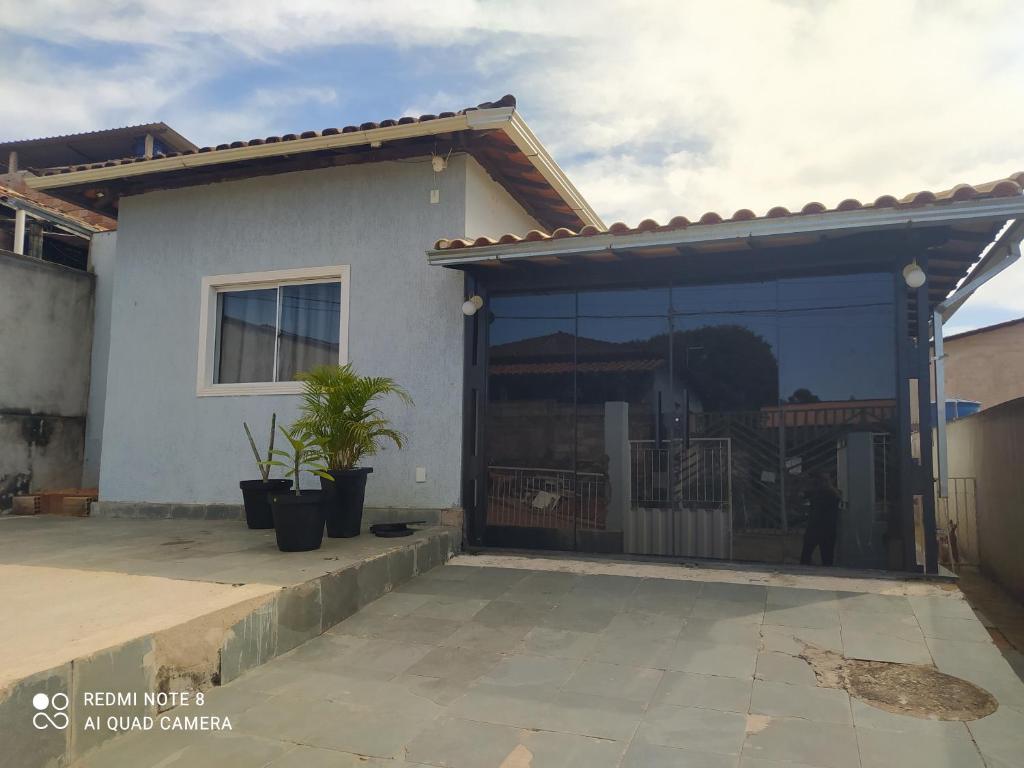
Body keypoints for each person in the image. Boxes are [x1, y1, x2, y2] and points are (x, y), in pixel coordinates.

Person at [799, 470, 842, 566]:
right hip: (825, 528)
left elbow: (802, 495)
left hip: (817, 528)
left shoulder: (827, 494)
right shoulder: (829, 493)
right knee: (825, 557)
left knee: (808, 555)